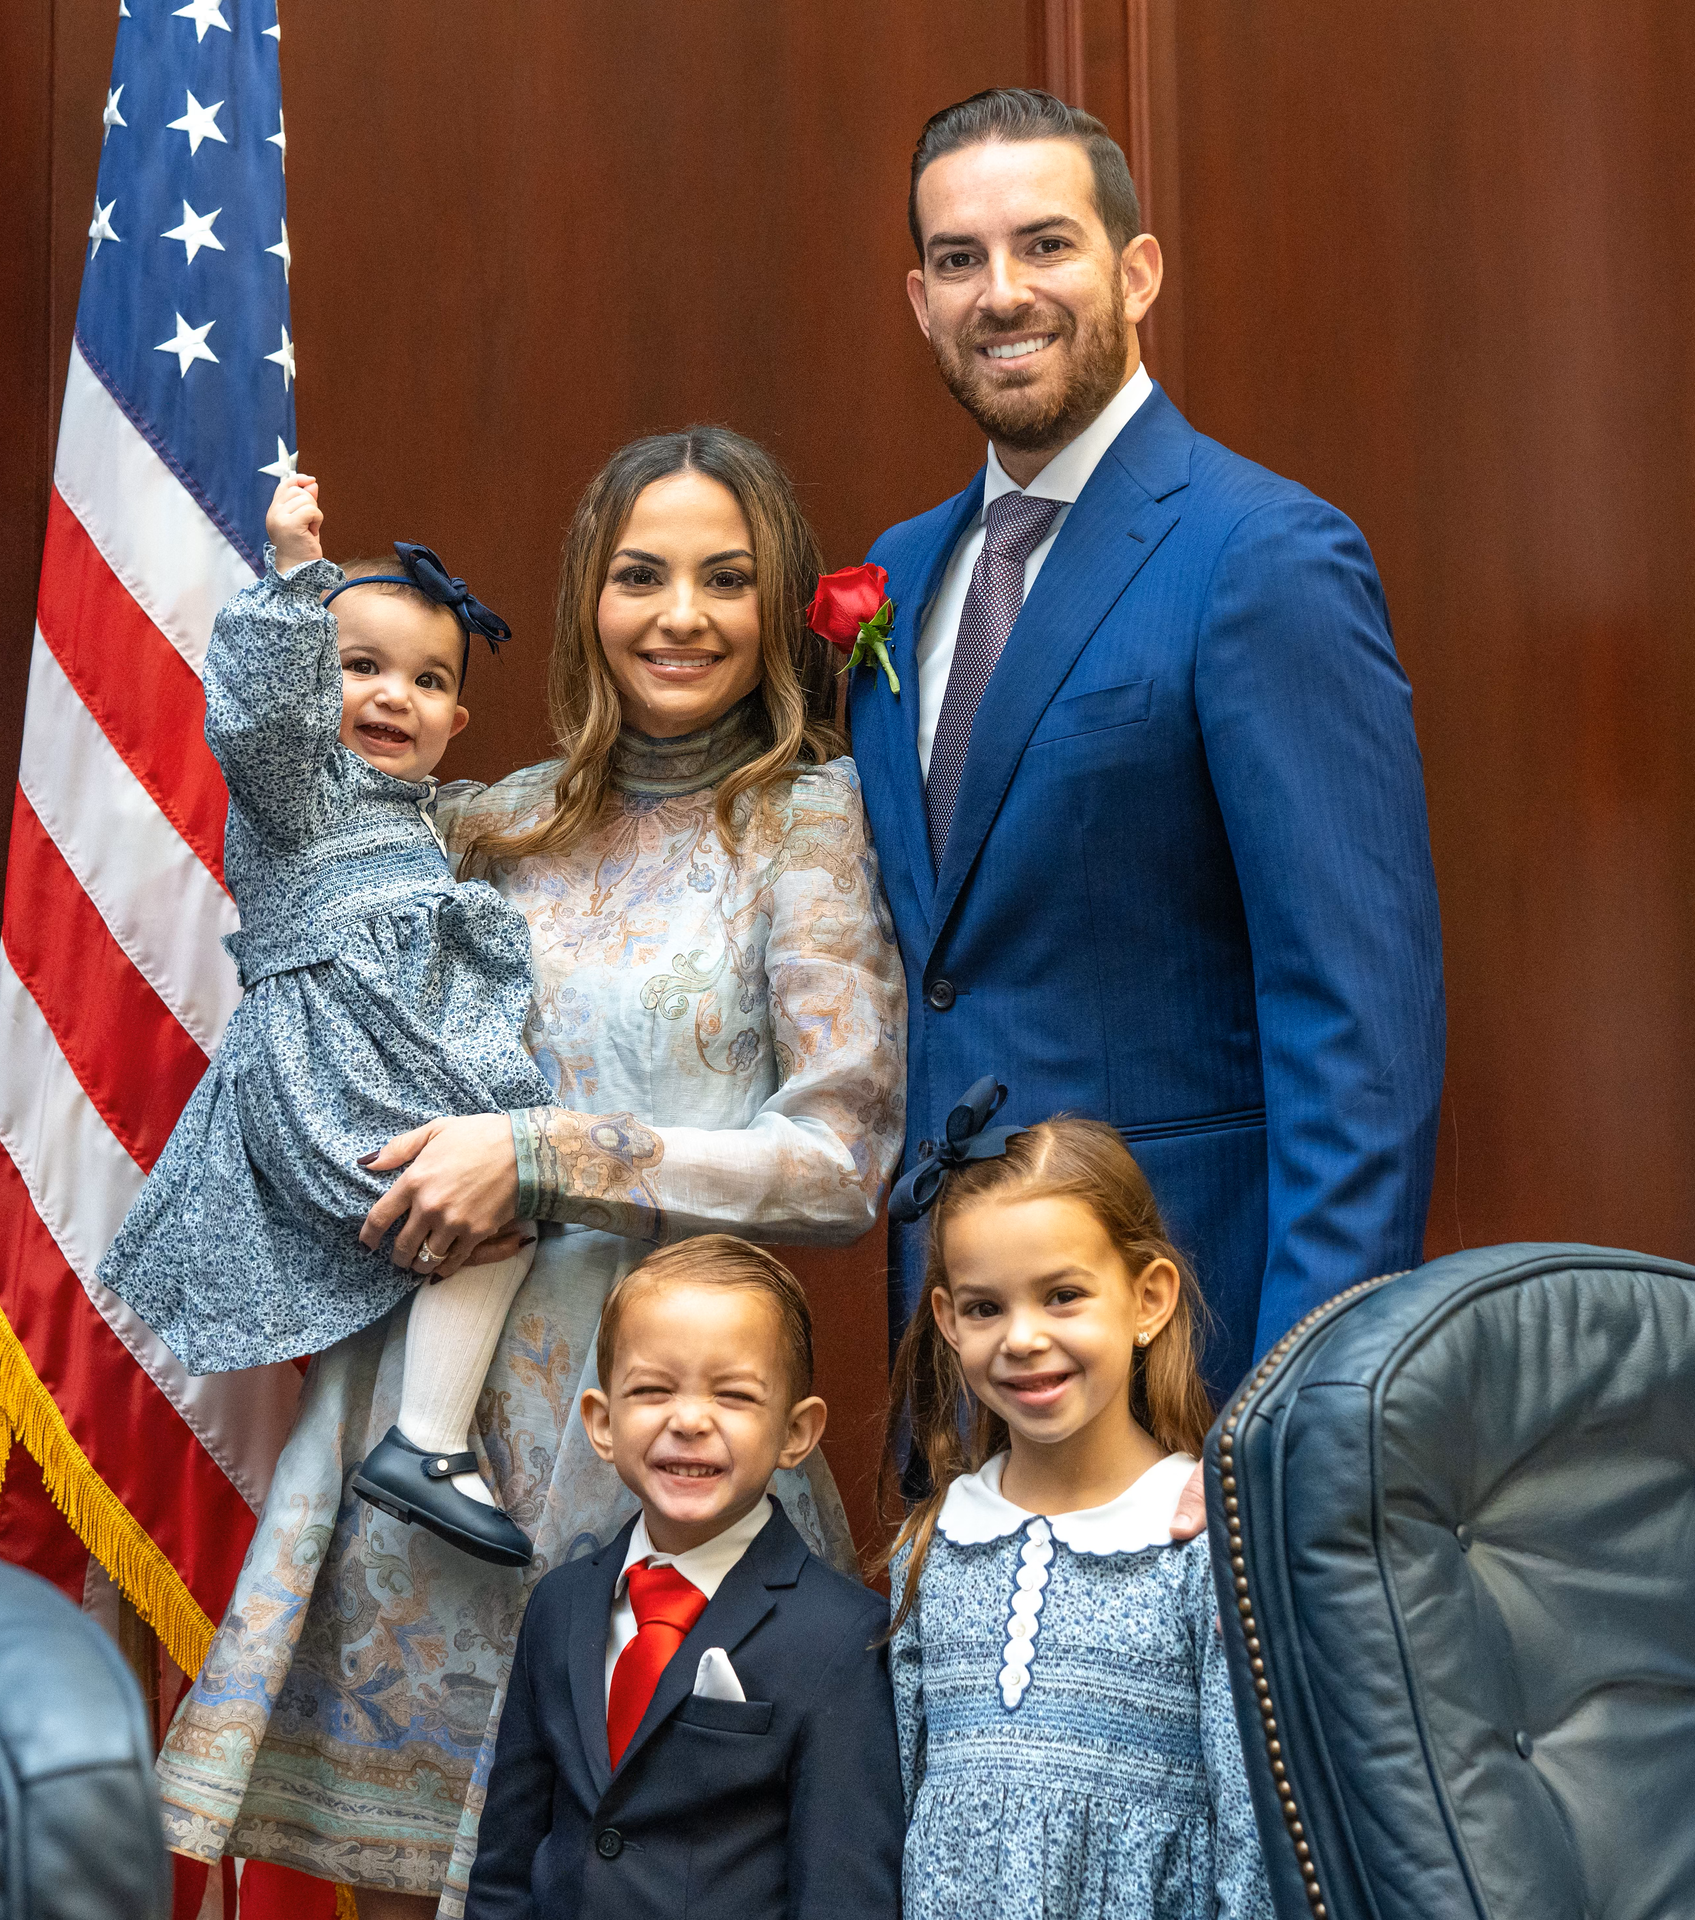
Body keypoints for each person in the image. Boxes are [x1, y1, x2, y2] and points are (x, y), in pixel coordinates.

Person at [155, 427, 906, 1919]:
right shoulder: (488, 818)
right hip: (426, 1438)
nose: (678, 614)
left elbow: (841, 1159)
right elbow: (292, 832)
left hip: (655, 1432)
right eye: (639, 576)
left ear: (776, 608)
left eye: (723, 578)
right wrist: (301, 596)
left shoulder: (806, 823)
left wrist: (551, 1154)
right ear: (584, 602)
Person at [847, 88, 1445, 1402]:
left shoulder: (1264, 556)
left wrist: (1298, 1397)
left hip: (1195, 1349)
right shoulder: (894, 575)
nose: (1001, 292)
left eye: (1045, 245)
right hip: (959, 1365)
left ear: (1137, 270)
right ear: (919, 300)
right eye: (960, 260)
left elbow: (1359, 1025)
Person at [97, 472, 559, 1565]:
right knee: (490, 1211)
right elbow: (259, 719)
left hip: (374, 1058)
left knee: (502, 1205)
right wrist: (298, 583)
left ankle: (424, 1438)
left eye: (427, 679)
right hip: (326, 1063)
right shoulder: (297, 784)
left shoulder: (427, 818)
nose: (394, 697)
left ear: (458, 718)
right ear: (317, 681)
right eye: (361, 668)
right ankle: (427, 1443)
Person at [880, 1079, 1272, 1920]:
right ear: (949, 1322)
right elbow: (901, 1801)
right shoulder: (932, 1547)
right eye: (986, 1307)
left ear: (1148, 1299)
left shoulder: (1200, 1546)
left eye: (1063, 1295)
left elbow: (1253, 1830)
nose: (1023, 1338)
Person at [465, 1237, 904, 1919]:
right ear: (602, 1423)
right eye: (652, 1390)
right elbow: (507, 1859)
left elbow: (843, 1892)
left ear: (797, 1432)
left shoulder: (843, 1637)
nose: (690, 1420)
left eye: (733, 1395)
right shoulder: (560, 1605)